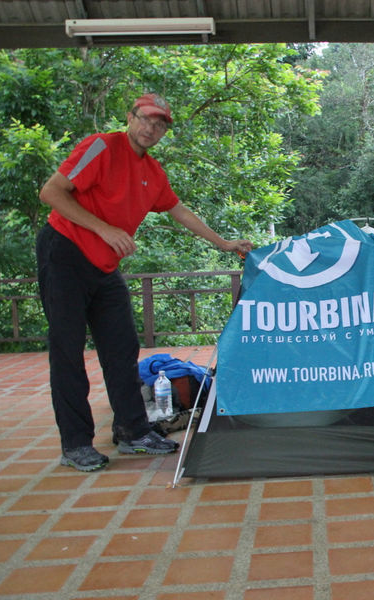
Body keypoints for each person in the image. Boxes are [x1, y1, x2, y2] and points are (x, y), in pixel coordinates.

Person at [36, 93, 253, 471]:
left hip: (104, 266)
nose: (151, 128)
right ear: (130, 117)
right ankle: (75, 444)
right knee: (67, 351)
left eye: (160, 124)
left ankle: (133, 431)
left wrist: (224, 243)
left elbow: (179, 211)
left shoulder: (153, 173)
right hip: (65, 253)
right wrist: (104, 229)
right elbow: (51, 192)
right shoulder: (101, 146)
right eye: (146, 119)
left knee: (122, 347)